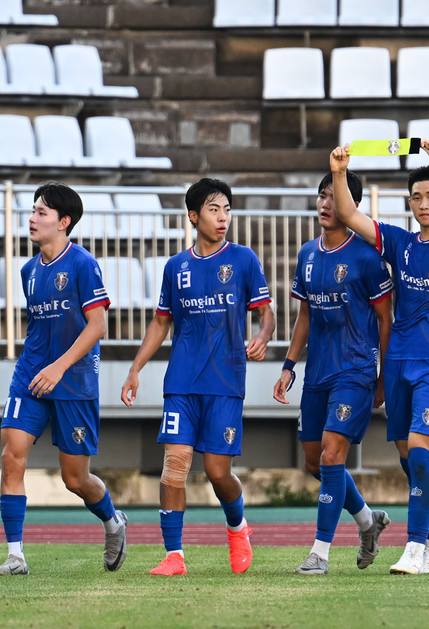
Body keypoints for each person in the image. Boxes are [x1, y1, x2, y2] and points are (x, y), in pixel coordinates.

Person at [329, 140, 429, 575]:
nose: (423, 203)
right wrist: (339, 173)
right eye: (416, 197)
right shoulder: (400, 242)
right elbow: (350, 216)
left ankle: (416, 548)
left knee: (420, 454)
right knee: (407, 457)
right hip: (397, 360)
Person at [121, 178, 275, 576]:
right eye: (213, 209)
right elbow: (160, 322)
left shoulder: (243, 260)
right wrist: (135, 368)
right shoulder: (176, 267)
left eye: (226, 209)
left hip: (225, 381)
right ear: (193, 215)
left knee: (217, 472)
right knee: (175, 463)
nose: (222, 217)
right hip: (182, 381)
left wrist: (262, 335)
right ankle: (175, 555)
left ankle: (237, 527)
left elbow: (266, 313)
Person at [0, 182, 127, 576]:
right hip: (31, 376)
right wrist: (40, 368)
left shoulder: (83, 264)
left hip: (74, 380)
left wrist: (59, 367)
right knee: (11, 455)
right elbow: (37, 328)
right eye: (33, 211)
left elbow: (97, 325)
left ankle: (113, 521)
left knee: (74, 478)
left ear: (64, 222)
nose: (32, 218)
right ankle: (16, 556)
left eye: (42, 213)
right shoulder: (28, 270)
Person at [273, 171, 394, 575]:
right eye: (321, 196)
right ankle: (367, 522)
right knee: (315, 463)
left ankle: (319, 554)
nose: (325, 204)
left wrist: (382, 377)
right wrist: (289, 365)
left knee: (330, 453)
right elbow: (304, 313)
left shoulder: (367, 256)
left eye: (333, 197)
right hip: (317, 373)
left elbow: (385, 320)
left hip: (355, 372)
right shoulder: (308, 253)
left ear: (351, 206)